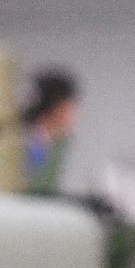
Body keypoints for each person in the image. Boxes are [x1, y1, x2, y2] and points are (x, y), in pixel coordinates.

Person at [22, 67, 82, 195]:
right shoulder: (29, 142)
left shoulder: (58, 143)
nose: (74, 114)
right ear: (57, 107)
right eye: (70, 107)